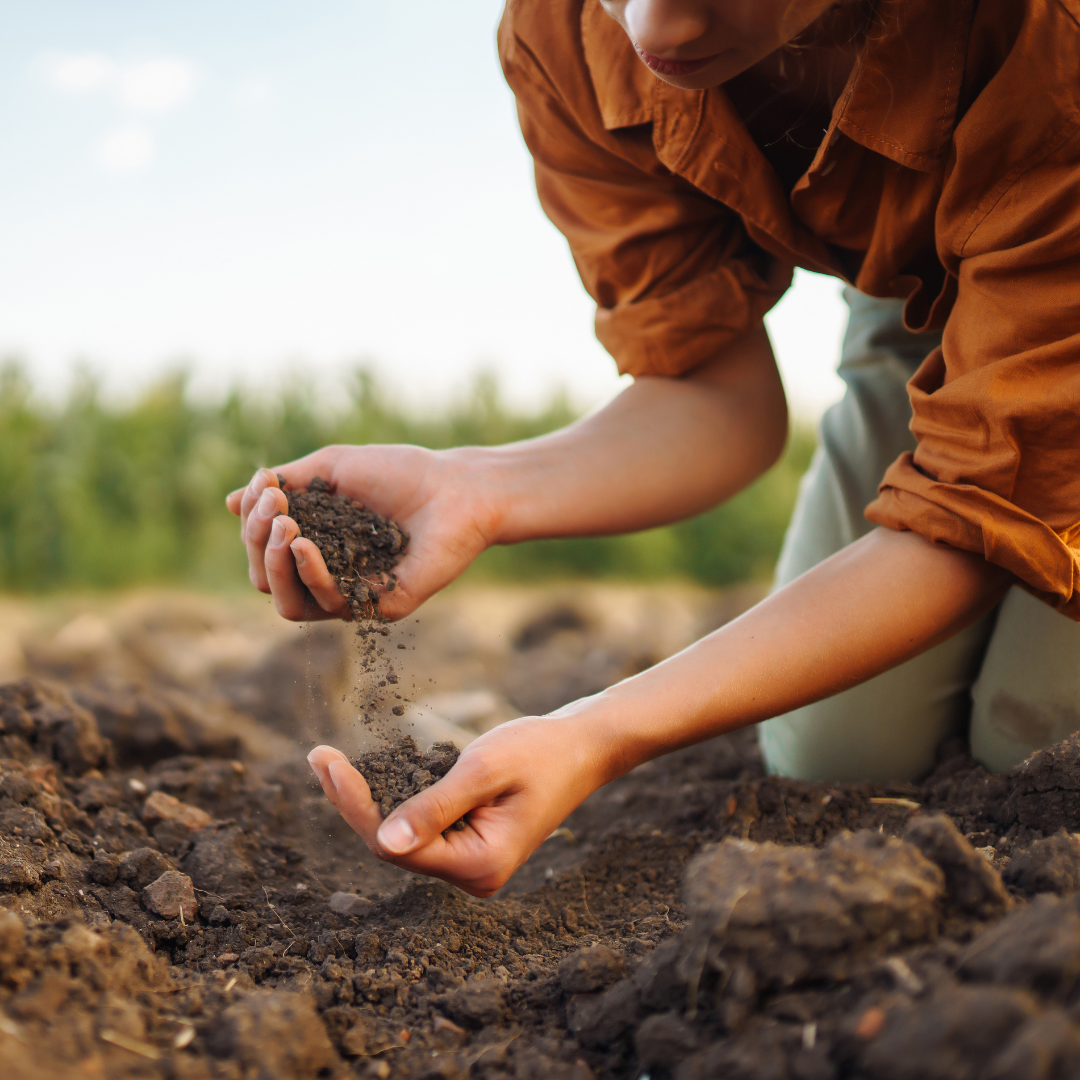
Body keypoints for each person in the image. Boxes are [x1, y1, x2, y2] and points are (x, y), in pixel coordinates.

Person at [227, 0, 1080, 897]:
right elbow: (716, 398)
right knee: (839, 754)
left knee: (1037, 744)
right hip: (925, 296)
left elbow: (978, 507)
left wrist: (601, 730)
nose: (654, 33)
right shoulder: (566, 37)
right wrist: (478, 485)